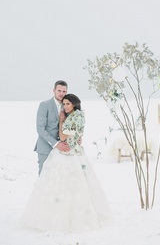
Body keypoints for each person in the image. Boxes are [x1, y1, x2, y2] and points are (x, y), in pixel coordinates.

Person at [20, 94, 111, 233]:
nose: (65, 106)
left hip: (69, 153)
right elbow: (79, 134)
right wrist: (77, 137)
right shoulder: (78, 115)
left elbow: (63, 136)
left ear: (74, 104)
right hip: (72, 151)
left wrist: (62, 120)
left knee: (69, 184)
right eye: (64, 104)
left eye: (68, 104)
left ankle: (71, 218)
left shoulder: (75, 116)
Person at [34, 80, 69, 174]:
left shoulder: (67, 106)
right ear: (54, 90)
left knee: (58, 179)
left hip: (63, 149)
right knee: (43, 178)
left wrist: (77, 138)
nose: (61, 94)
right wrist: (56, 144)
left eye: (64, 91)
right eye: (59, 91)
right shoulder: (44, 105)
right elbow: (40, 129)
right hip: (45, 148)